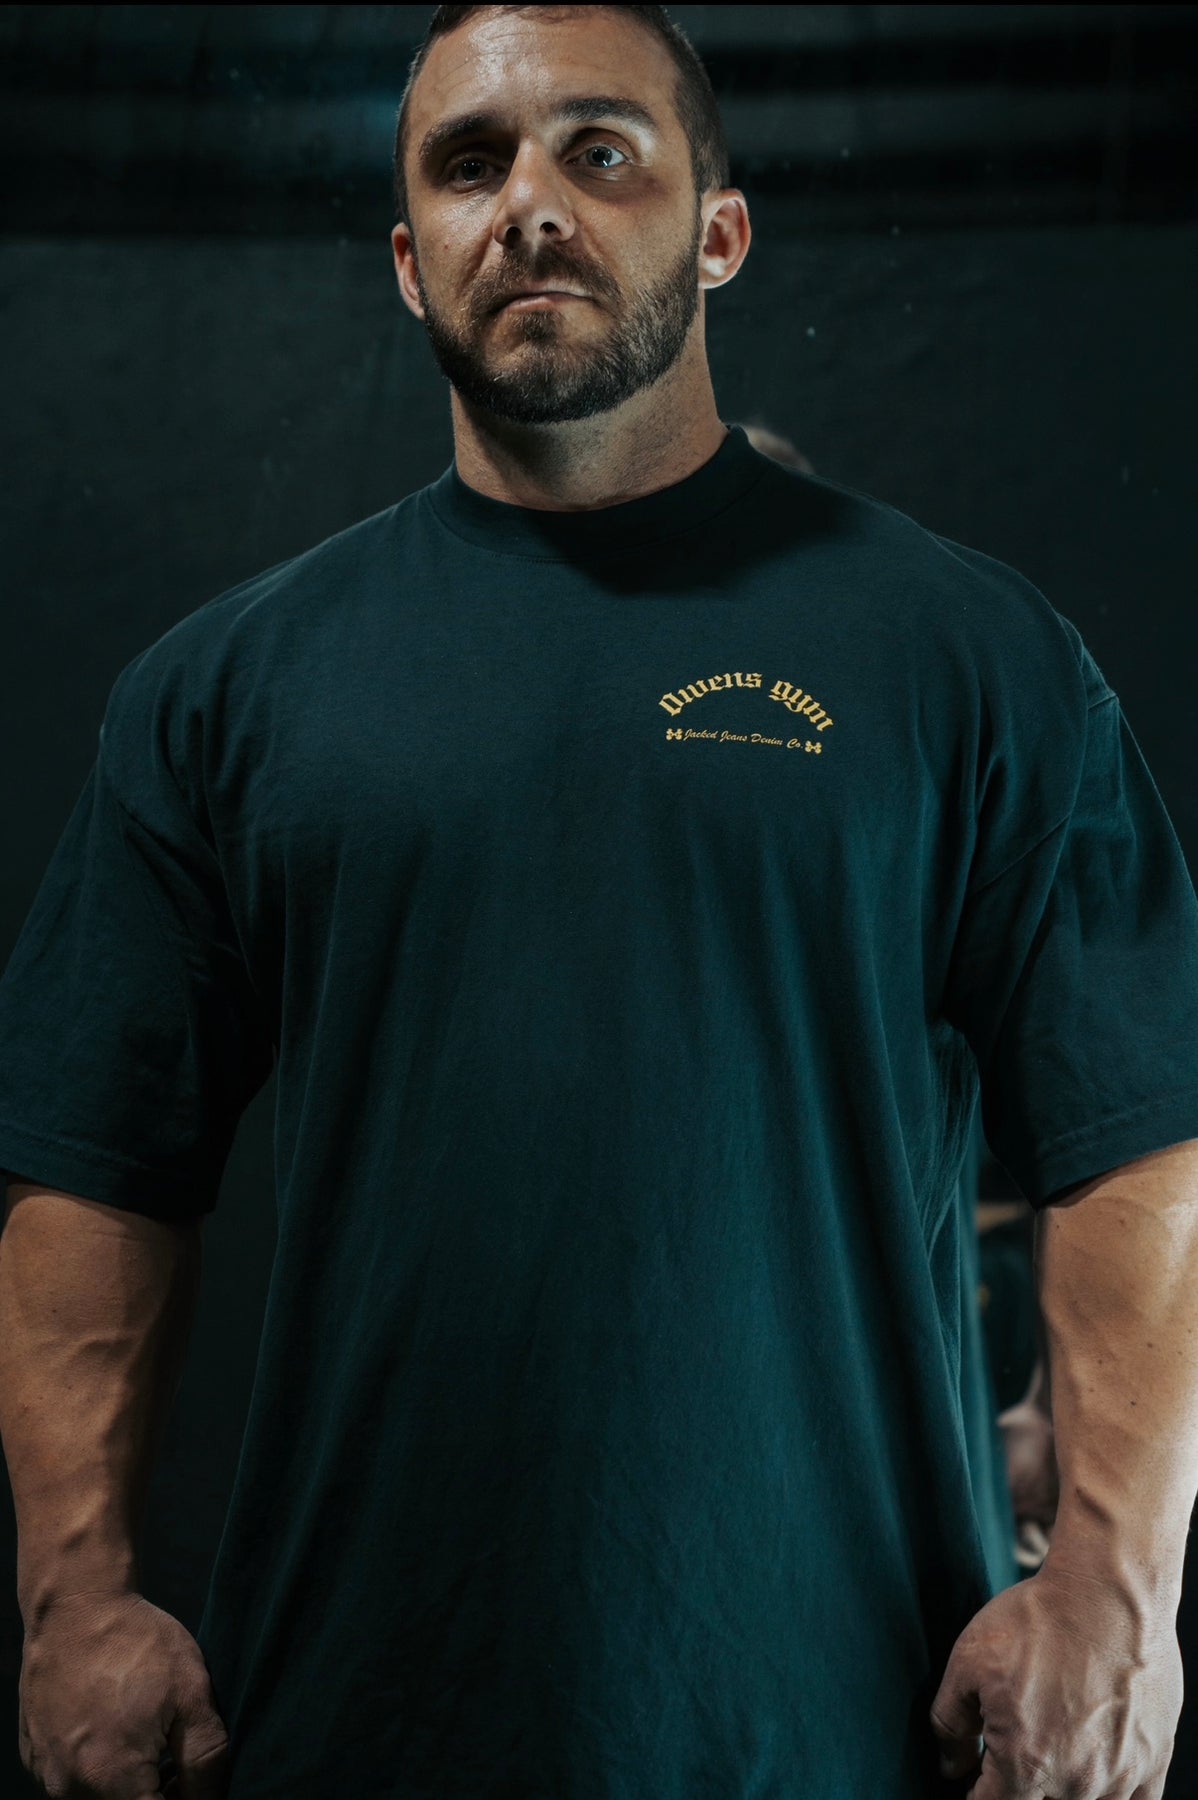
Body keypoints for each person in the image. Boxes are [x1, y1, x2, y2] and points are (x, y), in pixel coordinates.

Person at [2, 5, 1198, 1796]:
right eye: (470, 164)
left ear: (717, 232)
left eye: (600, 151)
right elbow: (92, 1162)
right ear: (409, 261)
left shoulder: (968, 660)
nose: (532, 203)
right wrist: (74, 1595)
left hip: (845, 1722)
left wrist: (1113, 1585)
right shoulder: (230, 691)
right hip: (353, 1719)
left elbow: (1139, 1139)